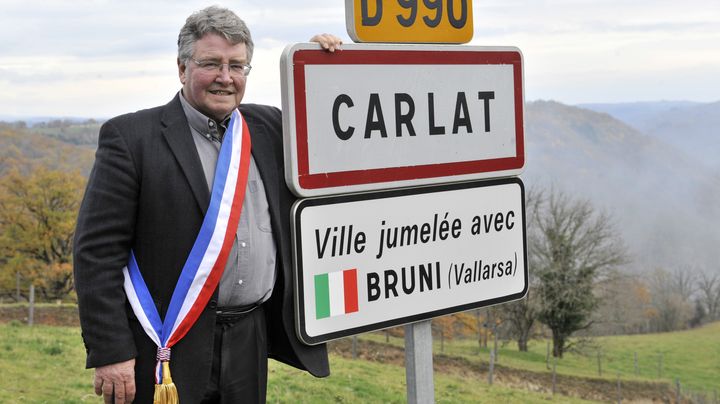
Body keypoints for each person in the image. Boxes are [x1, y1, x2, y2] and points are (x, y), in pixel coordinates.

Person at [73, 6, 342, 403]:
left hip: (250, 337)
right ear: (182, 68)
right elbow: (96, 253)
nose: (225, 77)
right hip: (165, 345)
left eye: (237, 66)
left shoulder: (269, 127)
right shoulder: (131, 138)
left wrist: (326, 66)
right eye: (211, 63)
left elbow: (336, 136)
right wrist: (112, 352)